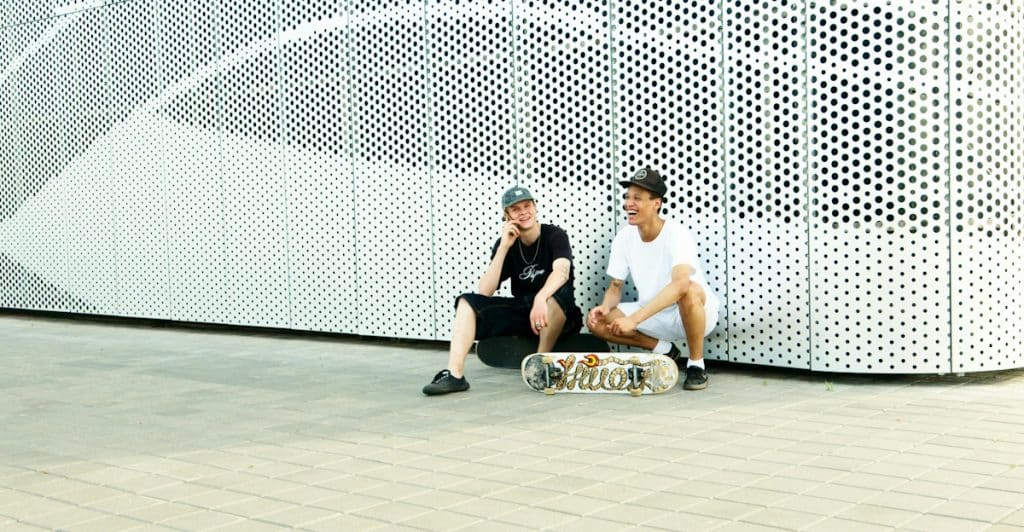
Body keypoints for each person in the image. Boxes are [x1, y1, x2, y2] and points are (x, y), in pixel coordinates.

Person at [423, 185, 583, 395]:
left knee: (554, 296)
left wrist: (541, 298)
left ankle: (539, 364)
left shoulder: (554, 234)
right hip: (525, 312)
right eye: (515, 209)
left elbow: (562, 272)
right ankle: (455, 375)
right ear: (507, 216)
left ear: (535, 208)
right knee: (466, 302)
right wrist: (504, 247)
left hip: (560, 312)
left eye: (527, 206)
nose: (523, 212)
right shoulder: (505, 243)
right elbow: (485, 291)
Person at [587, 168, 720, 390]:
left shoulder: (676, 233)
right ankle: (664, 349)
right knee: (597, 323)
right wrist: (605, 306)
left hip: (692, 314)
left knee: (689, 289)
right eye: (627, 197)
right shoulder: (624, 237)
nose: (629, 203)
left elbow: (680, 285)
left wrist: (634, 320)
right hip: (653, 312)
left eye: (637, 198)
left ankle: (696, 364)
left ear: (656, 203)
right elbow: (615, 286)